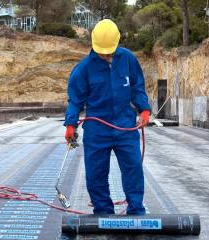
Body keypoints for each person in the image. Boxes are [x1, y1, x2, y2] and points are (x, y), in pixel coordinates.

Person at [64, 19, 151, 215]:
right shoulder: (84, 68)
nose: (106, 54)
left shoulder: (128, 60)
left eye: (109, 51)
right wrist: (71, 124)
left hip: (125, 126)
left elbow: (138, 87)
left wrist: (144, 109)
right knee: (96, 174)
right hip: (97, 129)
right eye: (102, 51)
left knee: (133, 169)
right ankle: (103, 211)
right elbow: (75, 100)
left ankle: (136, 209)